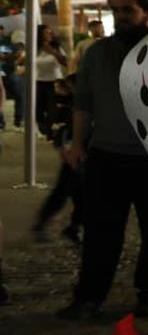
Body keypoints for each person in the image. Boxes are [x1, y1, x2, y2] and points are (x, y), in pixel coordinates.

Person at [58, 0, 148, 320]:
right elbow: (83, 103)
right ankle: (89, 297)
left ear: (146, 12)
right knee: (100, 232)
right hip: (106, 155)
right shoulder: (97, 53)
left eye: (127, 10)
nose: (120, 17)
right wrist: (77, 143)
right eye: (115, 10)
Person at [33, 69, 84, 244]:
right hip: (74, 156)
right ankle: (43, 223)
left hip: (80, 156)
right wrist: (66, 153)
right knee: (63, 194)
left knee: (80, 196)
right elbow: (60, 133)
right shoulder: (70, 106)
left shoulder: (76, 104)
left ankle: (73, 227)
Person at [33, 23, 67, 134]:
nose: (49, 34)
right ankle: (44, 129)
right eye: (46, 33)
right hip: (39, 81)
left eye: (50, 32)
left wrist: (52, 52)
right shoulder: (35, 49)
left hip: (54, 81)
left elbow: (65, 62)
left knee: (52, 108)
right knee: (38, 108)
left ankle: (49, 131)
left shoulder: (56, 47)